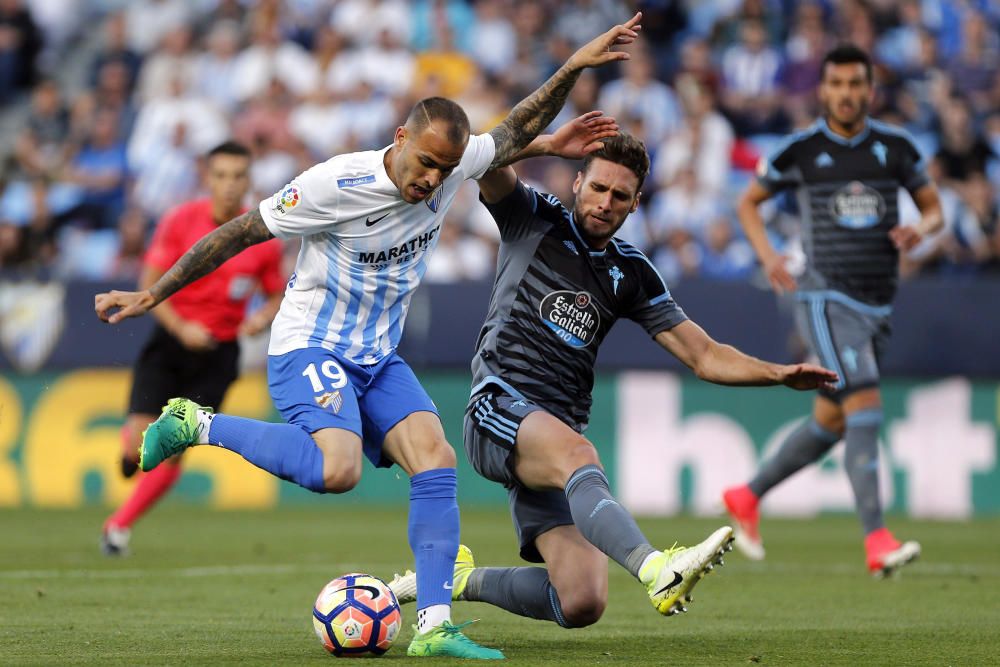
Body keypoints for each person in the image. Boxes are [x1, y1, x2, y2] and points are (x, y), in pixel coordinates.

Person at [94, 13, 644, 660]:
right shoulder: (336, 183)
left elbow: (517, 125)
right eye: (426, 163)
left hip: (376, 357)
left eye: (446, 170)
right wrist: (155, 293)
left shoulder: (452, 161)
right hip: (311, 346)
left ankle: (435, 623)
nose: (433, 180)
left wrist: (575, 66)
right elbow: (239, 232)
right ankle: (196, 424)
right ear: (399, 138)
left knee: (435, 460)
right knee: (339, 468)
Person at [388, 130, 837, 628]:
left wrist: (778, 373)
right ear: (578, 182)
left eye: (619, 196)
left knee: (579, 601)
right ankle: (657, 569)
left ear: (635, 205)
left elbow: (705, 356)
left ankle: (455, 579)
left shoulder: (633, 273)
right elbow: (485, 154)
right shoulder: (531, 217)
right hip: (497, 407)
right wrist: (552, 134)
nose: (605, 203)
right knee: (581, 456)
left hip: (554, 434)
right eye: (598, 188)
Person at [721, 44, 944, 577]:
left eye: (855, 84)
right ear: (823, 90)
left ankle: (747, 496)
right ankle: (877, 541)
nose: (846, 94)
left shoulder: (896, 149)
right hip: (823, 297)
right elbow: (747, 202)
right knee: (864, 401)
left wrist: (922, 228)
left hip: (877, 303)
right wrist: (768, 255)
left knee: (834, 419)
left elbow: (934, 209)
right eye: (836, 84)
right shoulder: (801, 150)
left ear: (870, 89)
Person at [100, 140, 283, 557]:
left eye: (238, 176)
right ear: (207, 177)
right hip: (169, 343)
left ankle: (117, 528)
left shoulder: (263, 238)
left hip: (218, 356)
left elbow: (276, 293)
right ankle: (130, 456)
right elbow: (149, 285)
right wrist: (181, 327)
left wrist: (261, 317)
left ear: (248, 180)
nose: (229, 185)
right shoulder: (181, 221)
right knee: (138, 446)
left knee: (175, 447)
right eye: (220, 176)